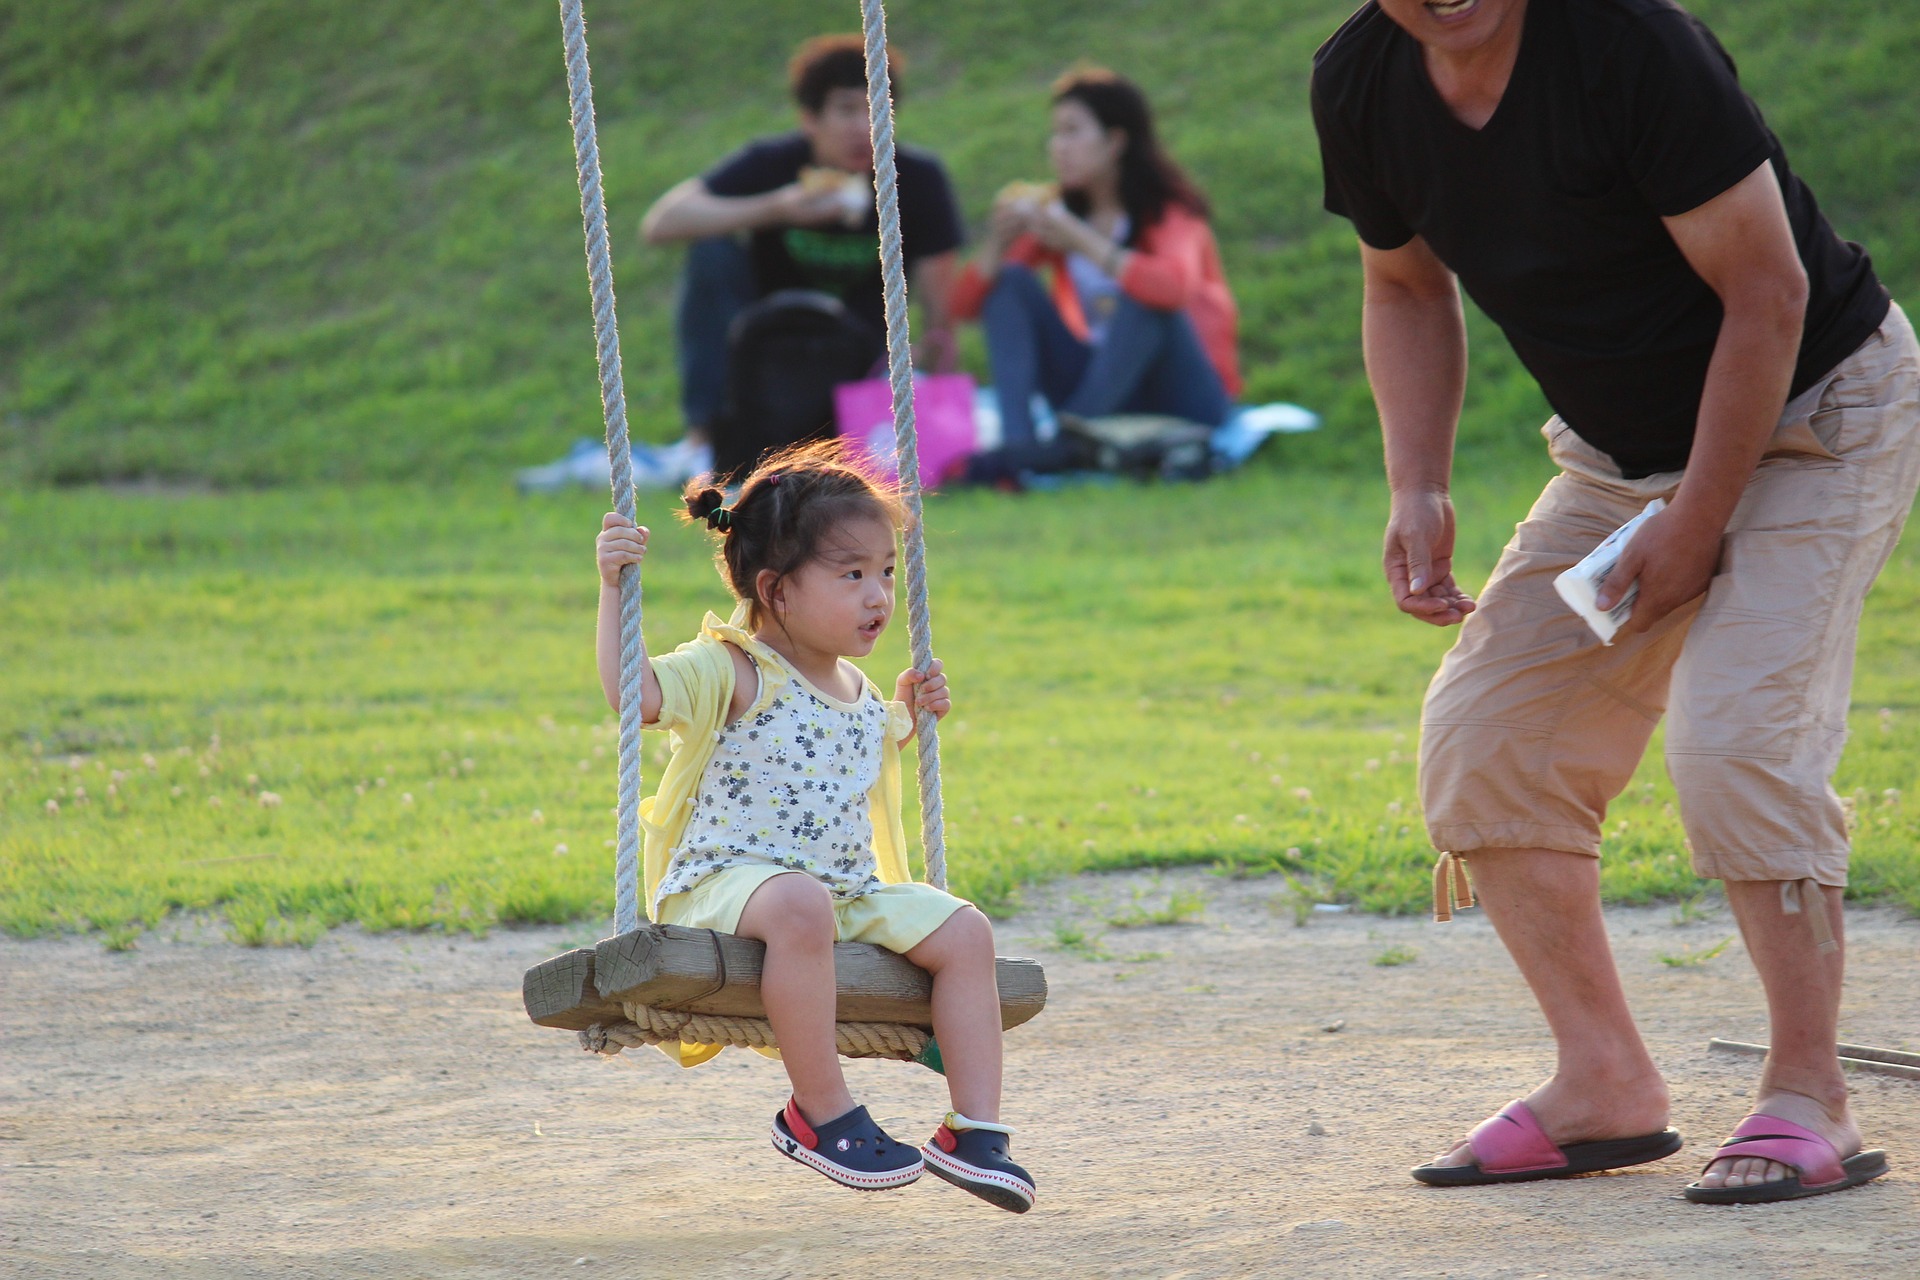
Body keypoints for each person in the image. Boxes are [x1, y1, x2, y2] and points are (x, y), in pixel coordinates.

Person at [1312, 0, 1915, 1203]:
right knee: (1488, 741)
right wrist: (1417, 483)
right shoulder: (1365, 82)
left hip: (1820, 416)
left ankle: (1809, 1092)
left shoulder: (1629, 42)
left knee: (1738, 736)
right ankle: (1603, 1083)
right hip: (1617, 457)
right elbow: (1403, 287)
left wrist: (1696, 526)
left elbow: (1770, 292)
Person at [592, 441, 1035, 1213]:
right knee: (801, 905)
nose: (880, 596)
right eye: (853, 573)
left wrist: (905, 712)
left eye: (887, 573)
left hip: (840, 892)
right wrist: (612, 589)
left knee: (966, 930)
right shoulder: (733, 667)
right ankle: (819, 1114)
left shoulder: (856, 688)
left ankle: (974, 1131)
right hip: (726, 882)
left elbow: (846, 752)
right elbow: (639, 696)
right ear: (778, 591)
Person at [640, 35, 965, 478]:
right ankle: (705, 437)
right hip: (768, 348)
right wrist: (776, 208)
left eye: (878, 109)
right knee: (711, 249)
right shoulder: (775, 165)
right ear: (810, 119)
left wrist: (941, 393)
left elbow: (938, 296)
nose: (864, 126)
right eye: (848, 110)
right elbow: (661, 222)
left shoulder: (917, 179)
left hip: (861, 353)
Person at [951, 68, 1241, 483]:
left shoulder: (1171, 211)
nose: (1058, 147)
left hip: (1184, 395)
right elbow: (966, 307)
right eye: (1055, 134)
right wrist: (997, 244)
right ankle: (1022, 445)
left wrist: (1083, 241)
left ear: (1115, 141)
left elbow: (1174, 288)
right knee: (1011, 281)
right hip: (1102, 388)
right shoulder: (1063, 215)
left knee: (1145, 300)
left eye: (1072, 132)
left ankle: (1065, 444)